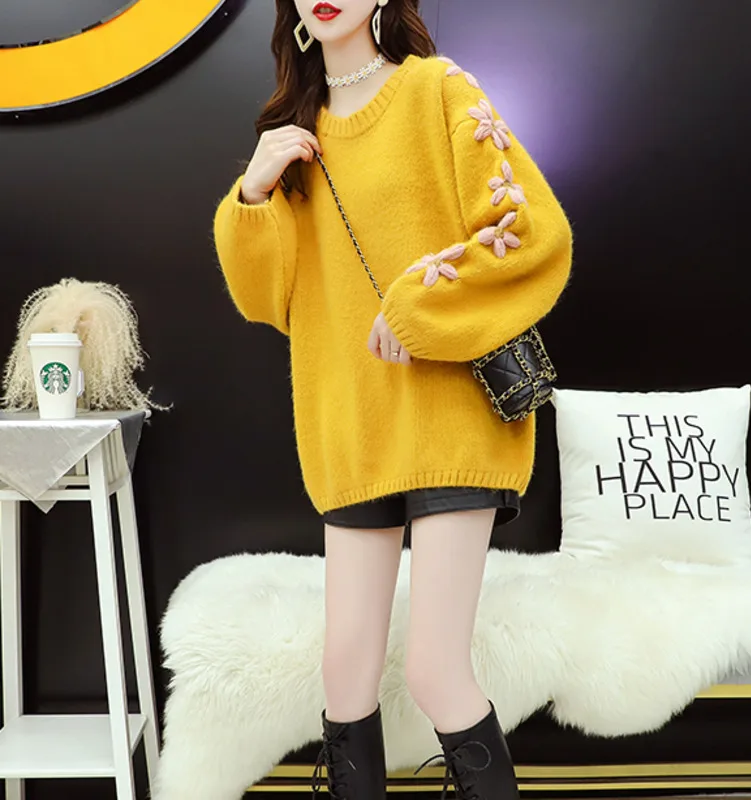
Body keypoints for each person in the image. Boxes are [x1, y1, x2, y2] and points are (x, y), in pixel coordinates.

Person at [213, 1, 572, 797]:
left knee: (437, 671)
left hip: (451, 423)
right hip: (352, 430)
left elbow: (528, 228)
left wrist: (419, 309)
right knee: (344, 671)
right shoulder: (295, 140)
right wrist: (253, 193)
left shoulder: (437, 91)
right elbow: (266, 299)